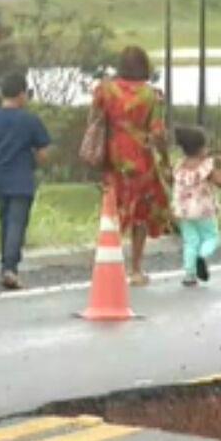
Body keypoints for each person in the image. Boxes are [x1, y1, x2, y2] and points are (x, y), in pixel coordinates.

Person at [92, 46, 172, 286]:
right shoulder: (151, 95)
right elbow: (158, 133)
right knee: (140, 214)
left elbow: (95, 121)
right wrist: (166, 161)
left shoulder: (105, 90)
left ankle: (108, 263)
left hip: (112, 157)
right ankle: (136, 269)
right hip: (140, 159)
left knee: (112, 212)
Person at [0, 71, 52, 290]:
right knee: (17, 222)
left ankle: (5, 265)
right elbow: (44, 152)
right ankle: (10, 268)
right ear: (21, 94)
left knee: (4, 221)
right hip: (22, 176)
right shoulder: (30, 120)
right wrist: (33, 161)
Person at [171, 126, 221, 287]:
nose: (208, 150)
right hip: (204, 211)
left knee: (190, 242)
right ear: (200, 149)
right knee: (211, 237)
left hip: (183, 212)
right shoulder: (206, 166)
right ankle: (201, 256)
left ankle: (189, 275)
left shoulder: (178, 167)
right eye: (206, 146)